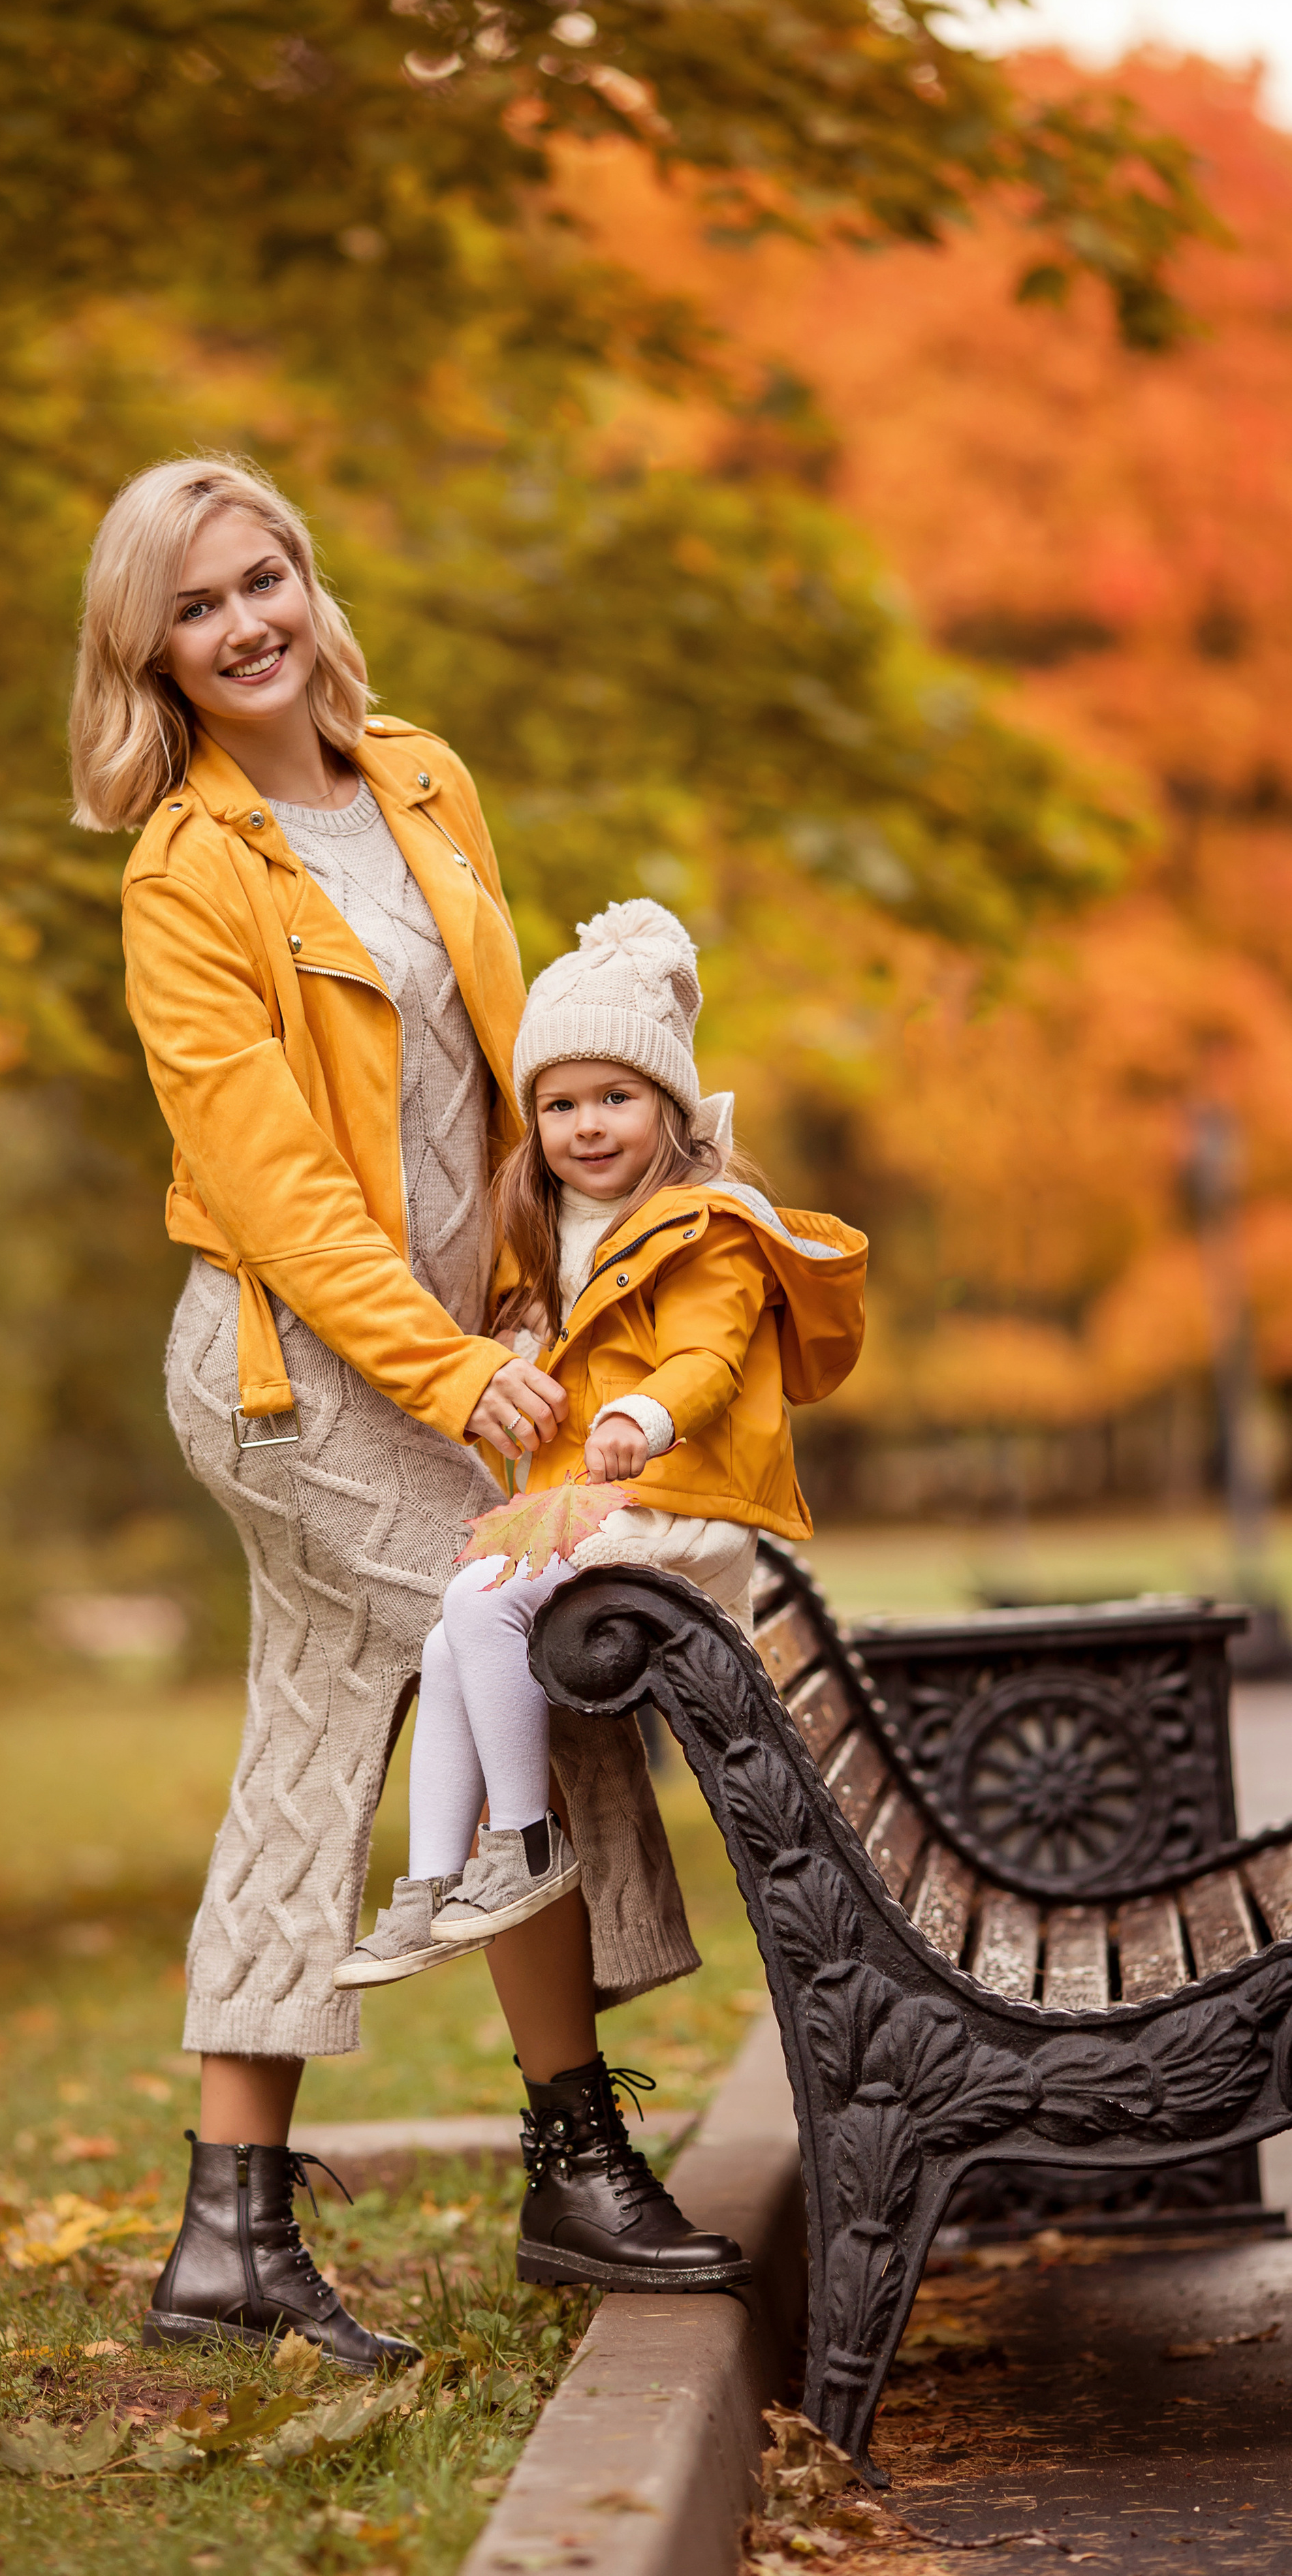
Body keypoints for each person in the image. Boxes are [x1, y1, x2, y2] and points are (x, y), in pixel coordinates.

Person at [70, 456, 704, 2370]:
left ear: (307, 581)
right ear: (152, 650)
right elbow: (274, 1186)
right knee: (511, 1632)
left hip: (461, 1346)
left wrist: (546, 1259)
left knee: (323, 1729)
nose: (247, 623)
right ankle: (573, 2159)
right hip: (290, 1379)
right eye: (199, 607)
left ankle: (231, 2233)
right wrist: (445, 1366)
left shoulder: (420, 777)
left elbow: (508, 1073)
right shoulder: (182, 877)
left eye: (265, 579)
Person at [335, 897, 868, 2291]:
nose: (582, 1126)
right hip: (615, 1509)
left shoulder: (708, 1226)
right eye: (558, 1102)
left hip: (687, 1510)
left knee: (488, 1602)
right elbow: (552, 1369)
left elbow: (699, 1359)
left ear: (670, 1109)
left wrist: (635, 1413)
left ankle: (514, 1847)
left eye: (613, 1097)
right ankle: (442, 1875)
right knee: (462, 1610)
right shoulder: (558, 1230)